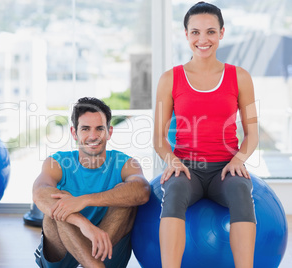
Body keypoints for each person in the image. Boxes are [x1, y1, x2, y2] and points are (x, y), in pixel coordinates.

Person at [153, 2, 258, 268]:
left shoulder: (240, 77)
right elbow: (158, 137)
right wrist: (172, 160)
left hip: (226, 169)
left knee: (242, 193)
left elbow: (252, 132)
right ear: (186, 35)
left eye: (210, 32)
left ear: (222, 33)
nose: (203, 39)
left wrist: (238, 160)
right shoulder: (170, 79)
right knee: (174, 190)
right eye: (195, 32)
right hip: (188, 169)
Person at [33, 97, 150, 268]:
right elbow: (39, 193)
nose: (93, 136)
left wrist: (84, 200)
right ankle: (92, 265)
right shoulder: (57, 162)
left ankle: (92, 263)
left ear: (109, 132)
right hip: (63, 255)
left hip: (106, 251)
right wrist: (83, 224)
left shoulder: (126, 163)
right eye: (86, 129)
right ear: (74, 133)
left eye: (99, 129)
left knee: (126, 196)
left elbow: (143, 190)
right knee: (59, 201)